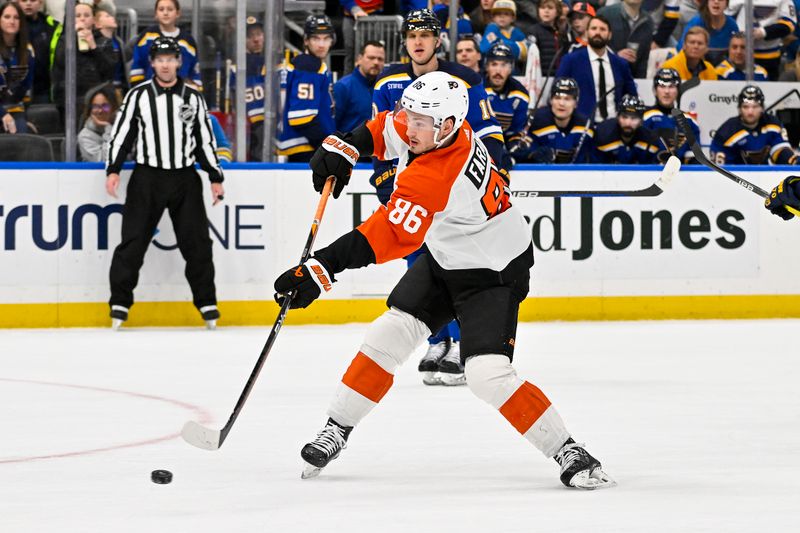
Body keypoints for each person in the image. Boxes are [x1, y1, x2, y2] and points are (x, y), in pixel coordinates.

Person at [274, 71, 615, 489]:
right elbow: (385, 127)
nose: (410, 126)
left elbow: (391, 234)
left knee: (487, 374)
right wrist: (345, 145)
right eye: (410, 115)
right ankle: (336, 428)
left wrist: (322, 267)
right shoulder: (436, 126)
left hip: (493, 273)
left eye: (420, 122)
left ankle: (568, 449)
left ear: (449, 125)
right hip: (446, 257)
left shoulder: (437, 174)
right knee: (387, 335)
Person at [371, 9, 505, 385]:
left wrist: (499, 171)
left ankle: (462, 345)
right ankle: (438, 341)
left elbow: (490, 132)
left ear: (437, 40)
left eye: (426, 35)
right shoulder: (387, 82)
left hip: (453, 192)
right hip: (410, 190)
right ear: (405, 41)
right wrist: (385, 182)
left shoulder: (463, 78)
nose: (418, 41)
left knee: (455, 265)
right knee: (418, 267)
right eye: (412, 35)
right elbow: (380, 139)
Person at [105, 37, 224, 330]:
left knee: (197, 243)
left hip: (185, 178)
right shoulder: (138, 96)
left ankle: (207, 302)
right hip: (147, 178)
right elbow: (122, 135)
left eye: (171, 59)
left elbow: (204, 141)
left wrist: (215, 176)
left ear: (179, 62)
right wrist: (114, 169)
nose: (166, 64)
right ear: (152, 63)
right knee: (133, 241)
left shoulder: (193, 97)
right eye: (160, 59)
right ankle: (120, 303)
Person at [556, 15, 638, 122]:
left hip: (613, 126)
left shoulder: (620, 64)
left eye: (602, 29)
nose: (598, 33)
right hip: (581, 124)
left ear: (610, 35)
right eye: (594, 28)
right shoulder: (571, 60)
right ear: (587, 33)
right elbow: (557, 92)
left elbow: (632, 95)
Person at [276, 14, 335, 162]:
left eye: (326, 38)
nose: (321, 44)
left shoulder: (303, 64)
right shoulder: (308, 66)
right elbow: (301, 117)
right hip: (305, 148)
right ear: (306, 41)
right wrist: (328, 148)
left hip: (299, 146)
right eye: (316, 38)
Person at [52, 1, 118, 121]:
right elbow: (61, 61)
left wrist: (93, 47)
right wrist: (73, 37)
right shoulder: (64, 40)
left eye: (86, 15)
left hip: (97, 97)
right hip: (70, 98)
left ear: (93, 20)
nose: (82, 19)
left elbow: (109, 69)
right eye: (78, 16)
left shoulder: (104, 41)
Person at [710, 85, 798, 166]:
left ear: (762, 108)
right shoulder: (727, 131)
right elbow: (721, 168)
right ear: (739, 109)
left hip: (767, 177)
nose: (750, 112)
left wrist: (794, 161)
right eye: (745, 107)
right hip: (736, 178)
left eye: (755, 106)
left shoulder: (773, 123)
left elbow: (781, 151)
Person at [519, 77, 593, 163]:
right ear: (550, 100)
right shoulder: (535, 122)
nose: (561, 103)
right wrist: (532, 154)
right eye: (557, 98)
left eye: (567, 99)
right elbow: (519, 151)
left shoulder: (585, 127)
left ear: (576, 103)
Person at [129, 0, 202, 88]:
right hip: (150, 94)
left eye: (170, 9)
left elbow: (194, 72)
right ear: (156, 14)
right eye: (161, 9)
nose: (165, 13)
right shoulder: (146, 37)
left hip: (181, 95)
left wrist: (194, 90)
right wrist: (140, 92)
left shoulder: (188, 41)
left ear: (178, 13)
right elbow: (137, 67)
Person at [726, 0, 797, 80]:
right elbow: (726, 16)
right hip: (739, 56)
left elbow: (788, 24)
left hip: (768, 58)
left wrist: (763, 32)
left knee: (768, 90)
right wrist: (737, 36)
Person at [642, 67, 700, 163]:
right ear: (655, 90)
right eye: (662, 86)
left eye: (671, 86)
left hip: (682, 174)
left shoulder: (689, 121)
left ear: (678, 90)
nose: (667, 91)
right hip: (650, 172)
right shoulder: (645, 118)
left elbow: (694, 158)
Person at [484, 42, 529, 161]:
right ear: (487, 67)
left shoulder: (521, 95)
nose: (498, 70)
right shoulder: (476, 89)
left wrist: (514, 148)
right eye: (494, 64)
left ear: (511, 68)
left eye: (504, 65)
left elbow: (515, 132)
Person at [230, 15, 266, 161]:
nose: (256, 39)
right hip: (250, 123)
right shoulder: (240, 65)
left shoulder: (272, 61)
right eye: (250, 36)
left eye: (258, 34)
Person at [333, 40, 385, 134]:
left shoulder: (383, 88)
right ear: (359, 59)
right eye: (371, 57)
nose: (376, 62)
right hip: (348, 146)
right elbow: (332, 126)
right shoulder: (343, 87)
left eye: (380, 59)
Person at [594, 94, 659, 164]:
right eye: (624, 117)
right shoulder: (603, 136)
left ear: (641, 121)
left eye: (634, 118)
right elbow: (596, 170)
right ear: (617, 117)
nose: (628, 123)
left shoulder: (651, 141)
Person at [599, 0, 654, 79]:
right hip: (605, 75)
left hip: (631, 78)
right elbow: (593, 47)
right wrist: (615, 55)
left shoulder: (648, 21)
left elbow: (643, 60)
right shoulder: (605, 14)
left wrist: (641, 84)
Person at [0, 1, 33, 133]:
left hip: (15, 109)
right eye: (7, 17)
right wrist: (3, 114)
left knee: (23, 134)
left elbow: (26, 87)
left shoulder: (28, 51)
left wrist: (24, 119)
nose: (12, 21)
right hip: (2, 110)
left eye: (16, 17)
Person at [18, 0, 58, 104]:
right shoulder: (12, 26)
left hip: (43, 87)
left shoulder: (51, 26)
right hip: (17, 85)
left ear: (40, 2)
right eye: (23, 0)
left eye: (32, 0)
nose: (28, 3)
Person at [676, 0, 737, 64]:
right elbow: (681, 50)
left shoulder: (732, 25)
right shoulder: (696, 22)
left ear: (726, 3)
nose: (716, 1)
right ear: (707, 2)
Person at [77, 82, 117, 161]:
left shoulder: (124, 127)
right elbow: (105, 161)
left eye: (105, 106)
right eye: (95, 106)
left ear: (113, 108)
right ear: (90, 110)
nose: (100, 111)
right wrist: (108, 129)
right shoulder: (85, 136)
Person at [528, 0, 569, 77]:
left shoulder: (561, 32)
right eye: (542, 8)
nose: (546, 11)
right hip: (540, 77)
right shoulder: (533, 31)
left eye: (550, 8)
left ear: (557, 12)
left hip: (559, 76)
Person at [93, 1, 125, 95]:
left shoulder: (118, 42)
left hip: (119, 88)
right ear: (98, 24)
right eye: (107, 16)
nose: (112, 18)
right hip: (104, 89)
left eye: (111, 16)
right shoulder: (96, 43)